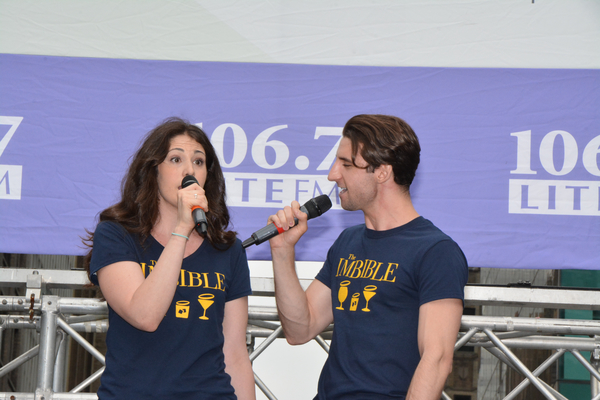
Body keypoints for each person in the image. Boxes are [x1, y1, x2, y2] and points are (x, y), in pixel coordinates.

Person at [267, 114, 468, 399]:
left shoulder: (436, 251)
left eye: (346, 164)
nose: (332, 174)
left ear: (382, 172)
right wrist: (282, 251)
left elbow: (436, 360)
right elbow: (300, 329)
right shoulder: (347, 241)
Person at [83, 117, 255, 400]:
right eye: (176, 159)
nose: (190, 170)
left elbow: (235, 353)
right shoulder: (116, 235)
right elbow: (145, 316)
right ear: (153, 171)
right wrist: (181, 230)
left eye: (199, 162)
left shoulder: (228, 249)